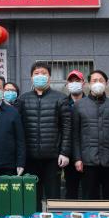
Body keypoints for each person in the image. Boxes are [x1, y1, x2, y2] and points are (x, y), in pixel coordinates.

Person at [17, 62, 70, 202]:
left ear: (49, 77)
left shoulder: (60, 98)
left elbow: (67, 127)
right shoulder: (23, 99)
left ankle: (54, 217)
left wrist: (64, 152)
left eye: (44, 73)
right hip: (30, 157)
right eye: (36, 73)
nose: (40, 76)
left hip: (52, 157)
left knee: (54, 197)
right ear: (31, 77)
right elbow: (18, 129)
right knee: (32, 198)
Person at [72, 70, 109, 201]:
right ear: (88, 84)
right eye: (94, 80)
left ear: (106, 83)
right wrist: (77, 158)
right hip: (88, 161)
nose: (98, 83)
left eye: (101, 80)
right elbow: (75, 135)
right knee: (90, 199)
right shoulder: (79, 105)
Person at [59, 70, 85, 199]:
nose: (74, 83)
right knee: (71, 190)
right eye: (71, 81)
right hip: (68, 154)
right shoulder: (62, 103)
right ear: (67, 84)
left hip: (86, 153)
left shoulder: (90, 102)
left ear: (83, 83)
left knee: (89, 191)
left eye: (77, 81)